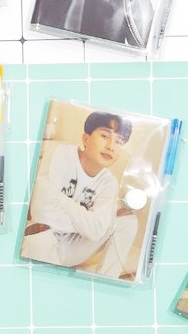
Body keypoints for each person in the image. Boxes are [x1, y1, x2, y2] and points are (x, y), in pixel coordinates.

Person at [21, 111, 140, 277]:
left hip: (74, 246)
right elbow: (41, 212)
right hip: (45, 238)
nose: (111, 146)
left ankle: (105, 281)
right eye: (105, 136)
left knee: (128, 220)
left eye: (119, 141)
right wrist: (87, 222)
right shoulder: (61, 154)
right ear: (85, 138)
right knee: (39, 233)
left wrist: (60, 199)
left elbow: (96, 231)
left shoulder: (109, 183)